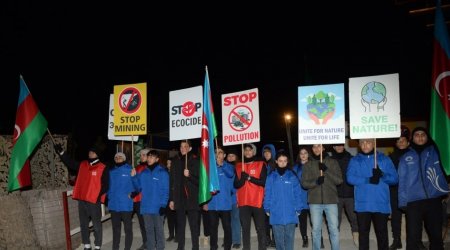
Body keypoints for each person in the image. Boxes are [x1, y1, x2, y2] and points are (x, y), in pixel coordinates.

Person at [398, 127, 449, 250]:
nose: (420, 137)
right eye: (417, 134)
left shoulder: (436, 152)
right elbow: (402, 181)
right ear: (412, 138)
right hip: (413, 202)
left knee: (436, 235)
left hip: (433, 199)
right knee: (412, 237)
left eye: (423, 134)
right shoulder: (406, 156)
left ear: (427, 137)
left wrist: (444, 191)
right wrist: (402, 201)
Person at [347, 138, 399, 250]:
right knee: (363, 235)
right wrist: (367, 180)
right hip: (363, 204)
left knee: (382, 235)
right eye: (362, 143)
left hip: (380, 203)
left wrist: (382, 175)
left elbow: (395, 179)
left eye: (368, 142)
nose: (365, 145)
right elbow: (350, 178)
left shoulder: (384, 159)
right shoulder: (355, 160)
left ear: (374, 143)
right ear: (359, 145)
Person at [54, 144, 108, 250]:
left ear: (97, 154)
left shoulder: (103, 167)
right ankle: (87, 245)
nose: (90, 153)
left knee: (96, 225)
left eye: (93, 152)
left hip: (93, 201)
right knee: (83, 224)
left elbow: (106, 185)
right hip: (82, 200)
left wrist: (97, 197)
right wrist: (62, 153)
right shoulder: (83, 164)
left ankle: (97, 246)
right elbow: (70, 163)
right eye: (90, 151)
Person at [301, 144, 342, 250]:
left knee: (333, 229)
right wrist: (316, 182)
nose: (316, 149)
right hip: (314, 202)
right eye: (314, 147)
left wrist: (326, 170)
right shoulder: (308, 165)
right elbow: (304, 183)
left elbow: (339, 180)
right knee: (316, 230)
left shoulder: (333, 162)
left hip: (331, 200)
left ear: (323, 148)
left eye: (319, 146)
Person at [264, 150, 304, 250]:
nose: (282, 163)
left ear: (287, 162)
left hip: (290, 212)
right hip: (276, 212)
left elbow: (297, 193)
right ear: (276, 161)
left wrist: (298, 208)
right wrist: (267, 208)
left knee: (289, 239)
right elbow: (267, 193)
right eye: (280, 161)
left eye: (285, 161)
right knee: (278, 240)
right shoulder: (271, 177)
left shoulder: (292, 176)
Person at [131, 149, 169, 250]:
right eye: (148, 156)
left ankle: (160, 248)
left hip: (157, 207)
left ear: (157, 159)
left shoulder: (162, 172)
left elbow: (166, 190)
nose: (149, 158)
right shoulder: (143, 173)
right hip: (146, 207)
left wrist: (163, 205)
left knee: (159, 231)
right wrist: (134, 177)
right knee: (149, 231)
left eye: (152, 157)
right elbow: (138, 188)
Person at [234, 143, 267, 250]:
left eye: (250, 150)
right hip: (243, 202)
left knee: (260, 228)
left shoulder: (261, 164)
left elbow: (263, 182)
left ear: (254, 151)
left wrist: (249, 178)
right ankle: (246, 248)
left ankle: (262, 247)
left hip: (257, 201)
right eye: (246, 150)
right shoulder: (238, 166)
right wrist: (242, 180)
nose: (248, 152)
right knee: (245, 228)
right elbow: (236, 184)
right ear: (243, 152)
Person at [169, 140, 201, 250]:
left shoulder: (196, 160)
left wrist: (190, 175)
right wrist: (171, 199)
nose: (182, 148)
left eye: (185, 146)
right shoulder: (175, 161)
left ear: (190, 148)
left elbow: (200, 182)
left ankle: (195, 247)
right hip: (179, 198)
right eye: (181, 146)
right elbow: (172, 182)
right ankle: (180, 247)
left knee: (194, 226)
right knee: (180, 225)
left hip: (192, 198)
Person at [329, 143, 359, 247]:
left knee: (354, 217)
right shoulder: (330, 160)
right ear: (333, 147)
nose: (339, 147)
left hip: (350, 193)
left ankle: (356, 237)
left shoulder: (351, 158)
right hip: (335, 194)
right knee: (335, 219)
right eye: (336, 145)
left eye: (341, 145)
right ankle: (335, 240)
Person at [207, 146, 235, 250]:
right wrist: (205, 202)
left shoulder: (229, 166)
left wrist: (222, 165)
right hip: (212, 203)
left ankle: (227, 247)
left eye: (220, 152)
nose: (218, 154)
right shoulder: (210, 167)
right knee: (213, 228)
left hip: (225, 203)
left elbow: (231, 174)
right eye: (216, 152)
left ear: (224, 155)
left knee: (227, 227)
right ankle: (213, 247)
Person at [388, 127, 410, 250]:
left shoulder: (414, 155)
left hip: (411, 191)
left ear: (408, 142)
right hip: (395, 190)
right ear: (395, 143)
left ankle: (415, 240)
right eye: (398, 140)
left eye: (403, 140)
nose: (401, 142)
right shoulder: (391, 157)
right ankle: (397, 240)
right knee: (395, 217)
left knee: (412, 216)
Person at [108, 152, 135, 250]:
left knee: (128, 229)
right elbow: (109, 187)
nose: (118, 158)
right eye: (116, 157)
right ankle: (115, 248)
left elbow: (137, 185)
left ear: (124, 159)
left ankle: (127, 248)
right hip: (114, 204)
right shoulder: (111, 171)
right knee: (116, 229)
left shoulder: (130, 170)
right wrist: (109, 198)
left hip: (126, 204)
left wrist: (134, 177)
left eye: (120, 157)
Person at [292, 145, 311, 248]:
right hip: (300, 198)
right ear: (299, 156)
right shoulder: (295, 167)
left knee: (315, 221)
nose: (303, 155)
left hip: (312, 197)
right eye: (301, 153)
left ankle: (319, 237)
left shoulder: (314, 165)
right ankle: (305, 238)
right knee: (302, 221)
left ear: (308, 154)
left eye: (305, 153)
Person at [133, 148, 150, 250]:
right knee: (142, 223)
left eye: (144, 155)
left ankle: (151, 242)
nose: (142, 156)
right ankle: (146, 242)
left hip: (147, 199)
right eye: (141, 155)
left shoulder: (151, 168)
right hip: (137, 200)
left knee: (149, 223)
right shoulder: (137, 167)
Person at [226, 146, 242, 249]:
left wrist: (238, 197)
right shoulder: (223, 166)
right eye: (229, 155)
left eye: (233, 156)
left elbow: (240, 184)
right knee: (227, 221)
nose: (231, 157)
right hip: (225, 199)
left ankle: (236, 240)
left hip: (235, 198)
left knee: (235, 220)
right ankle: (228, 239)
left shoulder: (239, 167)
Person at [262, 143, 277, 248]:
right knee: (265, 219)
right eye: (265, 152)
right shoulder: (262, 164)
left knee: (274, 219)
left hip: (274, 196)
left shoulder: (276, 164)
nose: (267, 154)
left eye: (269, 152)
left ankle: (275, 239)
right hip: (263, 196)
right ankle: (267, 238)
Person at [165, 159, 178, 242]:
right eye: (167, 163)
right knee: (169, 219)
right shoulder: (165, 173)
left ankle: (177, 236)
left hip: (175, 198)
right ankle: (171, 235)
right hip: (167, 199)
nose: (168, 165)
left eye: (170, 163)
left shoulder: (177, 174)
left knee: (176, 218)